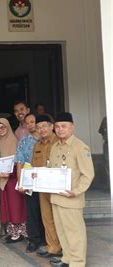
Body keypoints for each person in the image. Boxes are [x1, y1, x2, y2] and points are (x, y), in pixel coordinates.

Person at [48, 112, 95, 267]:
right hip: (56, 197)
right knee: (62, 232)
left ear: (72, 127)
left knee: (75, 233)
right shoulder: (55, 147)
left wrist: (76, 191)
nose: (60, 129)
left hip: (71, 198)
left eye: (64, 126)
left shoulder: (80, 147)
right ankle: (67, 258)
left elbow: (88, 174)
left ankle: (77, 262)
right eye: (57, 126)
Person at [29, 115, 62, 259]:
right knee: (47, 218)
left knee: (60, 219)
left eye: (44, 126)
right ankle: (53, 247)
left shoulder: (59, 142)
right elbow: (33, 166)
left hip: (57, 188)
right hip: (43, 188)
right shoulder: (37, 145)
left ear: (51, 126)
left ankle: (65, 248)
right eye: (38, 127)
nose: (41, 129)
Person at [0, 118, 26, 244]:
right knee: (8, 206)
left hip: (13, 179)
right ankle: (12, 231)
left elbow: (19, 161)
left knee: (16, 207)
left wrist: (11, 173)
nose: (1, 130)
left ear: (8, 128)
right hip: (3, 180)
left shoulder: (14, 141)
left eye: (4, 127)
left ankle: (20, 233)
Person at [14, 113, 42, 252]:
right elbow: (19, 163)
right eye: (27, 123)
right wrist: (21, 182)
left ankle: (48, 239)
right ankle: (34, 240)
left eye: (33, 121)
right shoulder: (23, 141)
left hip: (45, 180)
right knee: (32, 212)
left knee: (46, 212)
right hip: (30, 181)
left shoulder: (46, 139)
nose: (30, 124)